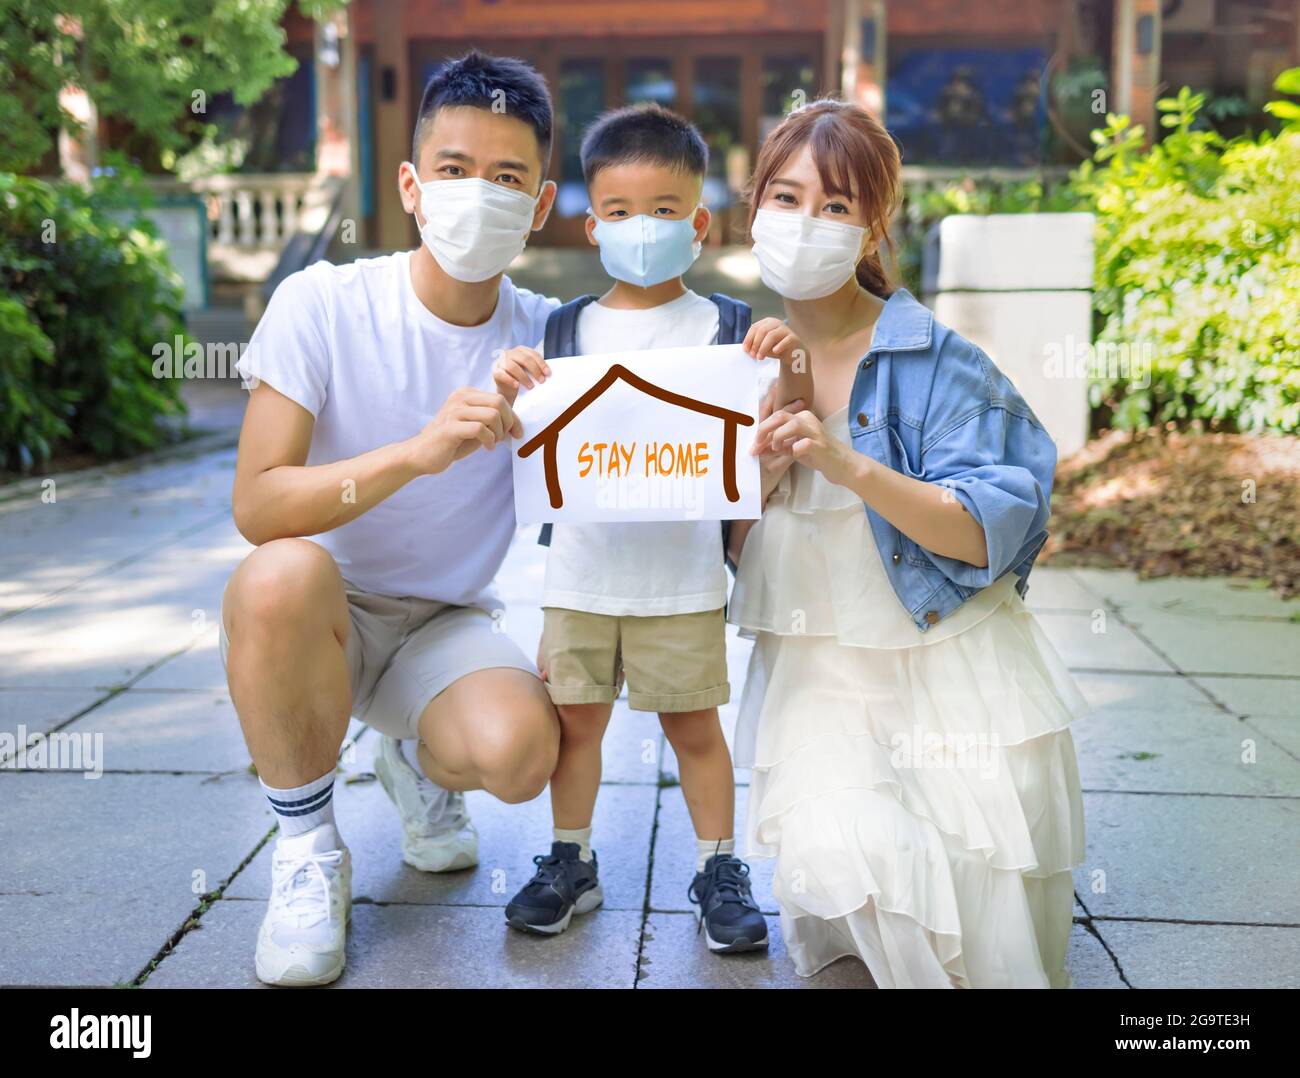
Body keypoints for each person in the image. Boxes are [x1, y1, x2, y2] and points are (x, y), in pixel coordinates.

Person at [220, 51, 563, 986]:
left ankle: (410, 752)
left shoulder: (551, 340)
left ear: (540, 205)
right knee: (277, 574)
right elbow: (257, 502)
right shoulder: (324, 302)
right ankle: (306, 848)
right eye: (454, 170)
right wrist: (417, 452)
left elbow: (626, 473)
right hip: (321, 612)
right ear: (412, 185)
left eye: (506, 178)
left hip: (443, 624)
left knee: (522, 754)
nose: (476, 195)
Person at [726, 99, 1087, 987]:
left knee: (962, 926)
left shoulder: (936, 358)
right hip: (821, 679)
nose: (804, 222)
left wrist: (846, 464)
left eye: (836, 205)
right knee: (841, 855)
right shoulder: (732, 362)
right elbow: (731, 545)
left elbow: (984, 532)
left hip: (950, 670)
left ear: (873, 225)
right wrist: (768, 452)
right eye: (785, 196)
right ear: (753, 208)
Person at [490, 104, 809, 951]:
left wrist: (787, 367)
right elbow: (529, 443)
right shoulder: (561, 331)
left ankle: (717, 868)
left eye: (666, 211)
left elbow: (768, 445)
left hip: (685, 578)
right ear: (591, 224)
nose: (644, 229)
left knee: (693, 727)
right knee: (577, 725)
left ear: (699, 223)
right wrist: (512, 382)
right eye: (622, 212)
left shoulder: (731, 333)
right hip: (582, 578)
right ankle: (570, 859)